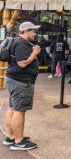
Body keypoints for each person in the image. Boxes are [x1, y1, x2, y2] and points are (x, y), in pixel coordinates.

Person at [3, 22, 41, 150]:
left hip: (15, 79)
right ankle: (19, 142)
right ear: (26, 31)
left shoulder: (17, 41)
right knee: (19, 110)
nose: (35, 34)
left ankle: (11, 137)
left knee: (13, 108)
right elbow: (22, 63)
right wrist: (34, 53)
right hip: (21, 81)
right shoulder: (21, 43)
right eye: (33, 31)